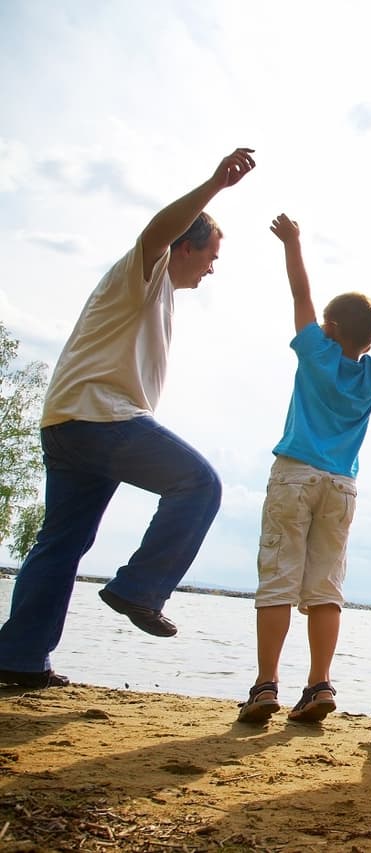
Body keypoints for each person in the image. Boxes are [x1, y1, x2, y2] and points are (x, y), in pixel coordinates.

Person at [0, 149, 257, 689]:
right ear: (185, 247)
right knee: (199, 484)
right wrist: (214, 184)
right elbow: (157, 230)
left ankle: (18, 658)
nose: (212, 268)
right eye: (210, 255)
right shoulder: (146, 269)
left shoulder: (158, 292)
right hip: (101, 417)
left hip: (68, 421)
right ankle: (139, 589)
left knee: (62, 542)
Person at [235, 214, 371, 725]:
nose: (319, 325)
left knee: (278, 582)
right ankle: (319, 684)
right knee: (325, 589)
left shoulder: (316, 353)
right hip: (342, 485)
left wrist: (293, 242)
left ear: (334, 329)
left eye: (325, 322)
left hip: (295, 475)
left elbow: (299, 291)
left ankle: (265, 685)